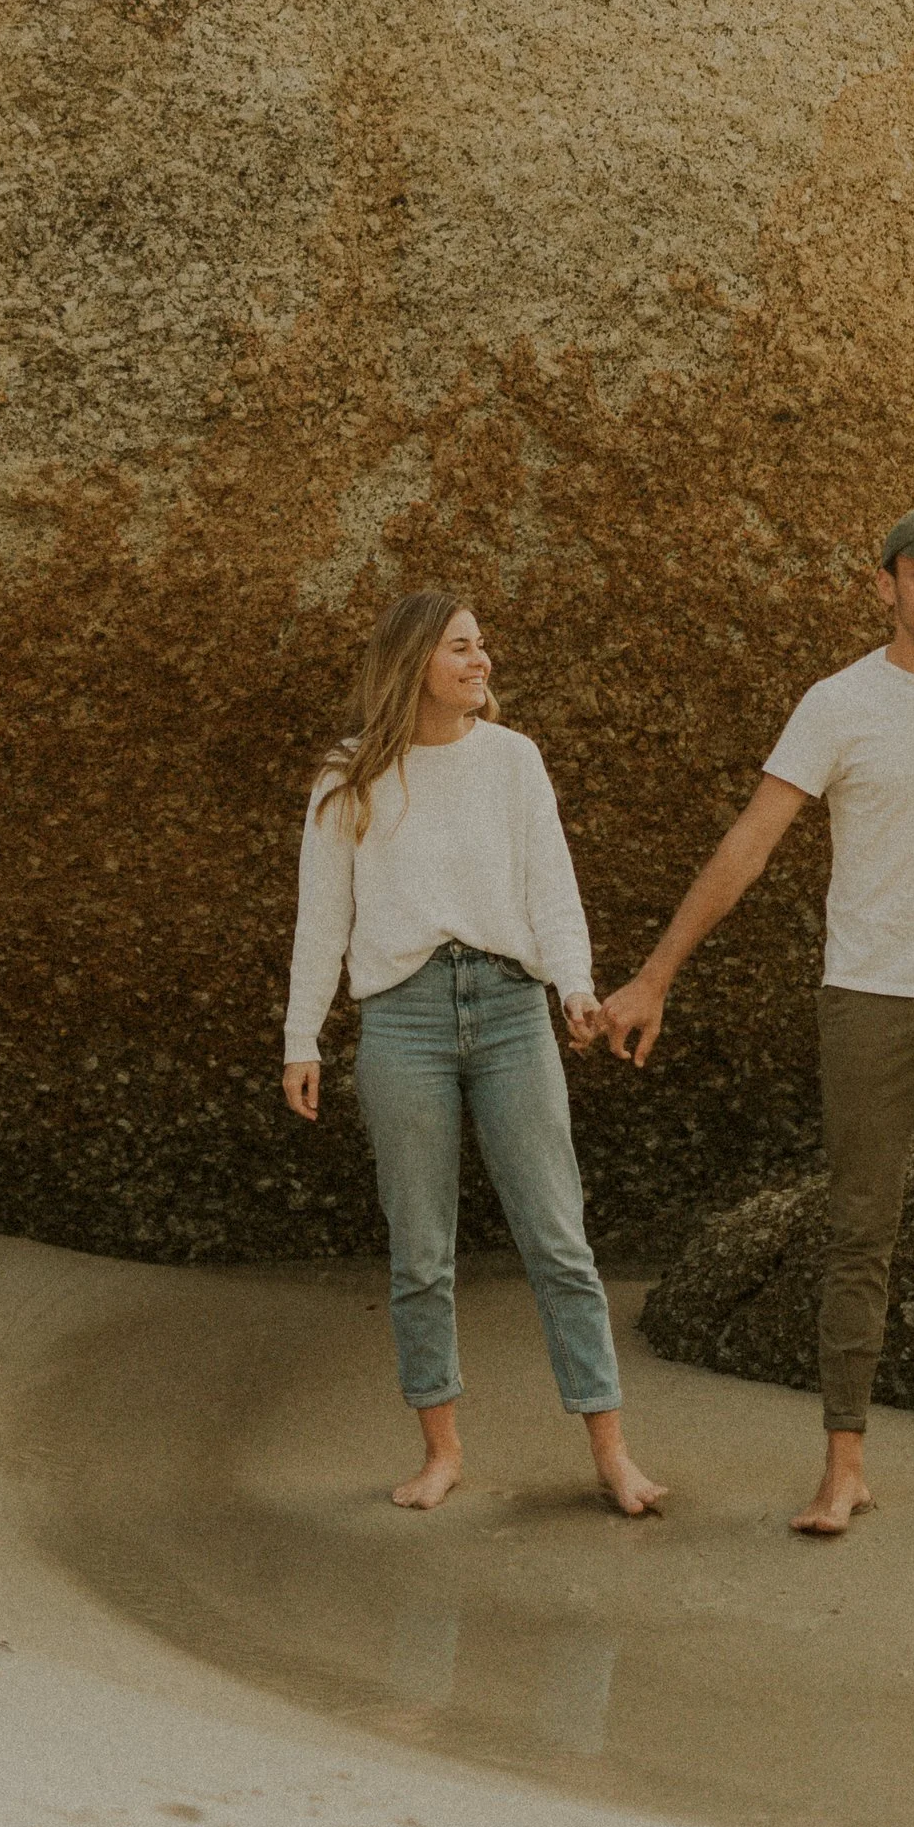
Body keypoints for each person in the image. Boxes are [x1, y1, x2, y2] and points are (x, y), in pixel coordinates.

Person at [601, 507, 914, 1543]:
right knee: (857, 1231)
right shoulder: (836, 705)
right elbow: (751, 843)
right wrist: (654, 976)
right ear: (885, 587)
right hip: (869, 997)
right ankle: (842, 1469)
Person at [283, 587, 665, 1516]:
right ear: (415, 661)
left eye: (482, 645)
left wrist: (574, 986)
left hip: (508, 1010)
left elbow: (554, 891)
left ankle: (611, 1452)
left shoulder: (514, 762)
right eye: (462, 647)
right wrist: (303, 1039)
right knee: (420, 1251)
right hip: (402, 1020)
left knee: (559, 1239)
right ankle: (442, 1450)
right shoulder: (349, 778)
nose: (482, 660)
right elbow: (322, 917)